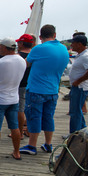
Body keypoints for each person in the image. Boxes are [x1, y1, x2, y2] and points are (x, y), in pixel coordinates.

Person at [20, 24, 70, 155]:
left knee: (34, 117)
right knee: (48, 117)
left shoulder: (38, 49)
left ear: (41, 37)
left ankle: (32, 145)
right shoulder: (64, 49)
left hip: (36, 89)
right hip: (53, 90)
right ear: (54, 35)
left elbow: (26, 64)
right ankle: (48, 144)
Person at [68, 34, 88, 133]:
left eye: (73, 43)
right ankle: (83, 130)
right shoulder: (81, 54)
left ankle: (74, 134)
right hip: (78, 86)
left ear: (79, 44)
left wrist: (78, 81)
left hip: (80, 87)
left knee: (75, 111)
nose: (71, 45)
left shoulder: (86, 56)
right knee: (77, 110)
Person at [12, 34, 35, 140]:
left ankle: (20, 132)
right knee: (30, 109)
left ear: (21, 43)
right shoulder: (36, 55)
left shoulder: (17, 57)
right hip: (33, 85)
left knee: (20, 109)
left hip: (20, 85)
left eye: (18, 42)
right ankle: (29, 130)